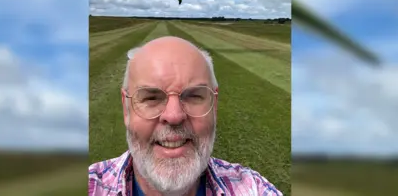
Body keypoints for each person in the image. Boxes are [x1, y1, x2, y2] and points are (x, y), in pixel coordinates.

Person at [88, 36, 283, 196]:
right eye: (151, 98)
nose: (174, 116)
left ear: (214, 106)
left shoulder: (252, 189)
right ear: (126, 108)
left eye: (193, 96)